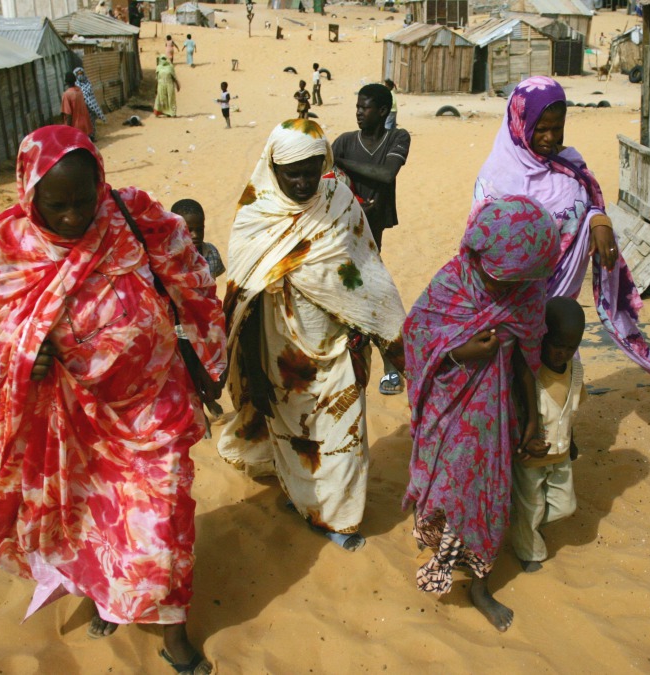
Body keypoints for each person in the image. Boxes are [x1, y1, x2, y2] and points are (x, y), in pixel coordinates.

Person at [0, 125, 225, 675]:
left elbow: (190, 272)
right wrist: (23, 357)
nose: (73, 217)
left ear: (101, 183)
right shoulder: (4, 251)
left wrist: (206, 348)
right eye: (58, 204)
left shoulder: (131, 214)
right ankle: (106, 598)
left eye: (83, 200)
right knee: (91, 518)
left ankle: (173, 633)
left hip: (153, 404)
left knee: (166, 516)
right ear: (30, 195)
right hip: (73, 416)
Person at [217, 119, 406, 552]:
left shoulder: (340, 201)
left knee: (344, 439)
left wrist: (376, 334)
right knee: (294, 437)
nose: (304, 181)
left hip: (341, 346)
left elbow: (368, 274)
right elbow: (244, 302)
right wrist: (255, 371)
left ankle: (339, 520)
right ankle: (304, 502)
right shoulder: (256, 214)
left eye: (312, 169)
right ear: (274, 168)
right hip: (281, 353)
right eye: (293, 172)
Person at [403, 195, 561, 632]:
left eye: (518, 282)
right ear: (477, 254)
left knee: (490, 500)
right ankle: (444, 557)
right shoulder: (452, 283)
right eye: (499, 280)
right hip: (449, 416)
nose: (506, 291)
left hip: (495, 421)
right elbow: (415, 335)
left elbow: (526, 361)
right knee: (450, 493)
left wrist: (530, 419)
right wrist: (459, 352)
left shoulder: (527, 293)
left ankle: (479, 584)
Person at [474, 76, 650, 386]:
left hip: (560, 301)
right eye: (541, 129)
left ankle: (561, 429)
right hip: (513, 306)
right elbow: (481, 247)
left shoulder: (568, 162)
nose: (550, 138)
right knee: (515, 383)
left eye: (558, 127)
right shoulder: (497, 179)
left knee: (559, 372)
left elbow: (590, 201)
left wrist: (599, 220)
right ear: (519, 123)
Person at [331, 82, 411, 395]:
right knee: (355, 294)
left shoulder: (397, 137)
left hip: (372, 238)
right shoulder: (344, 141)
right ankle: (377, 364)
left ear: (382, 111)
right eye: (357, 107)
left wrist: (343, 163)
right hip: (341, 236)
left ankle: (391, 365)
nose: (359, 113)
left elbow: (386, 175)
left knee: (372, 293)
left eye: (365, 108)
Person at [509, 296, 586, 573]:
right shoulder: (532, 375)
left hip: (561, 455)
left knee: (565, 505)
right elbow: (516, 413)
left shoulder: (575, 372)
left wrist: (572, 440)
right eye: (557, 345)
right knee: (531, 504)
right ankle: (528, 550)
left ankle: (523, 524)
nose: (562, 353)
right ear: (543, 337)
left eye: (570, 347)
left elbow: (570, 411)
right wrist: (522, 442)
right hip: (531, 459)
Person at [171, 198, 224, 278]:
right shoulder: (167, 258)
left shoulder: (211, 252)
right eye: (189, 230)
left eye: (200, 229)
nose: (196, 235)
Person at [73, 68, 108, 141]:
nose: (80, 76)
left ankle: (92, 136)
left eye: (81, 74)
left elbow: (91, 96)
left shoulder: (88, 83)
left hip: (91, 108)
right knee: (84, 123)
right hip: (82, 108)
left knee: (92, 122)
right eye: (78, 74)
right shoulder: (75, 85)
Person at [61, 72, 93, 140]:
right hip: (85, 125)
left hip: (76, 127)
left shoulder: (67, 94)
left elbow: (68, 114)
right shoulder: (79, 90)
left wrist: (68, 130)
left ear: (66, 82)